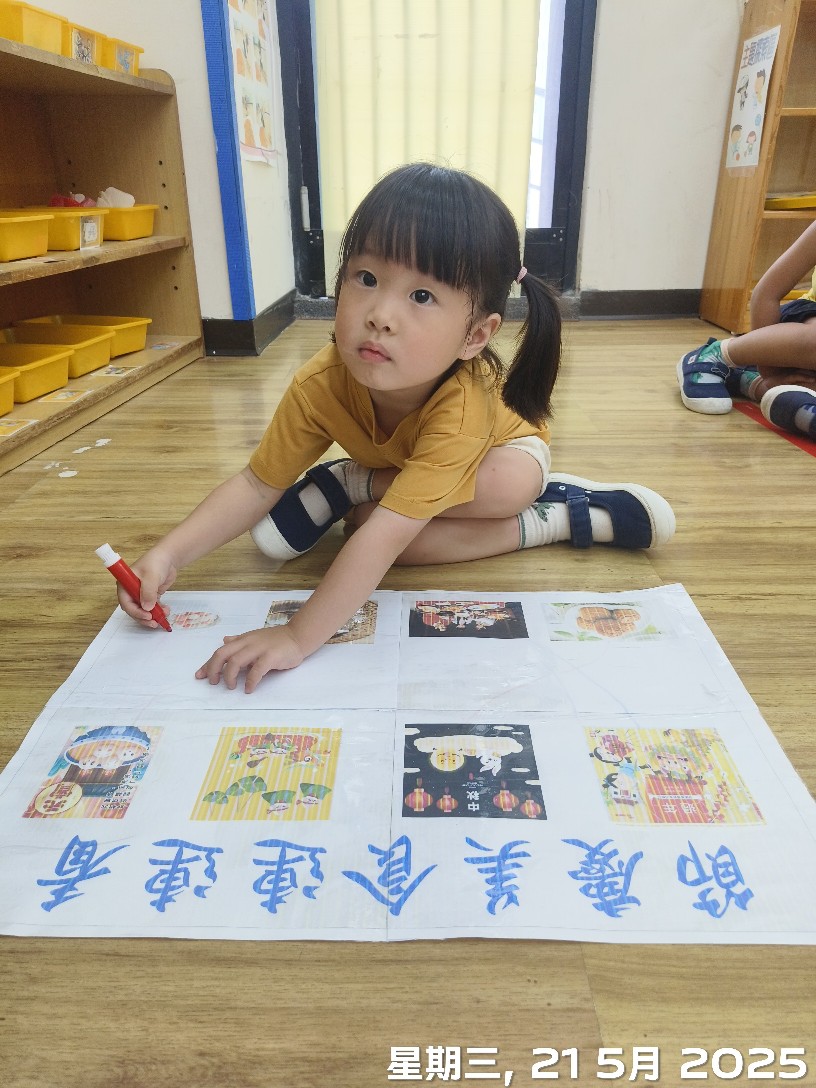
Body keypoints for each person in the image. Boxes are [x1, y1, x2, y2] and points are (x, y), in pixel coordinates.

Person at [119, 163, 675, 692]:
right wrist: (168, 555)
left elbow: (388, 536)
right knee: (370, 531)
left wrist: (297, 635)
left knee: (498, 492)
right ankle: (355, 484)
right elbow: (255, 485)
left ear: (475, 336)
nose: (380, 314)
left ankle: (561, 516)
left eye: (422, 296)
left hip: (504, 454)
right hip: (405, 468)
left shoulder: (463, 408)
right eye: (366, 278)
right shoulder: (321, 384)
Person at [678, 218, 816, 438]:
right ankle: (716, 355)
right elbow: (766, 293)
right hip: (804, 326)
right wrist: (770, 373)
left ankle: (753, 384)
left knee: (803, 387)